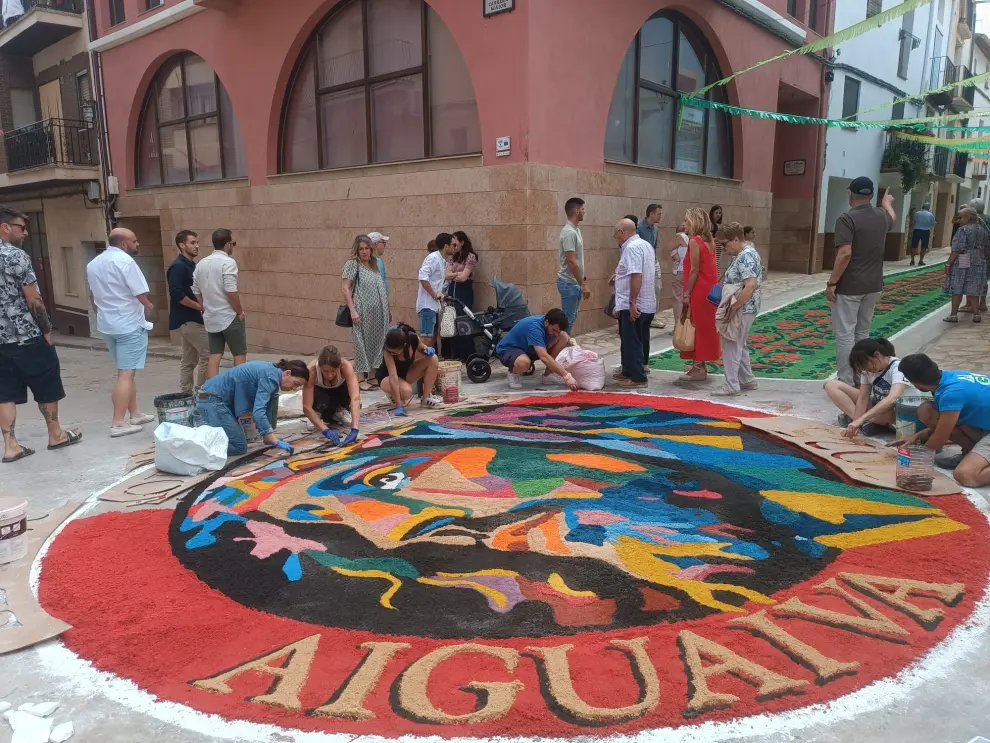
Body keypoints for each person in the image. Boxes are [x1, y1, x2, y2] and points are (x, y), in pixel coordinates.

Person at [0, 206, 81, 463]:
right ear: (5, 227)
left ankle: (10, 445)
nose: (25, 233)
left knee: (4, 392)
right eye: (21, 228)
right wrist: (46, 330)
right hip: (26, 336)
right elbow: (33, 298)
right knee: (46, 382)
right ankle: (55, 434)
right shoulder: (16, 256)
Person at [86, 227, 156, 437]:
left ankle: (135, 413)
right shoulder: (126, 262)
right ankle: (118, 422)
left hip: (107, 324)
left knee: (125, 370)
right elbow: (139, 292)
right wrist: (150, 307)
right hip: (128, 323)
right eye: (134, 241)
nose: (137, 244)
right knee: (126, 374)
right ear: (124, 244)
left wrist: (101, 312)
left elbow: (93, 295)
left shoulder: (93, 263)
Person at [826, 177, 896, 385]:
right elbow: (892, 218)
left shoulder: (847, 219)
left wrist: (832, 283)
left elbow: (845, 253)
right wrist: (887, 203)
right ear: (871, 195)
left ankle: (846, 379)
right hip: (873, 284)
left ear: (851, 195)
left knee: (845, 334)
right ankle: (862, 377)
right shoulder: (881, 216)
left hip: (850, 285)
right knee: (862, 332)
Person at [893, 354, 990, 487]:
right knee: (927, 410)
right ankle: (971, 454)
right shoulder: (950, 378)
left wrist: (918, 460)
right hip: (985, 425)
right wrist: (917, 436)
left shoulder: (951, 393)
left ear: (915, 382)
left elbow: (941, 436)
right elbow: (946, 424)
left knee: (965, 474)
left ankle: (975, 461)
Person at [196, 359, 308, 457]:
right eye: (295, 384)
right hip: (211, 399)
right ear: (287, 373)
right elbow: (258, 412)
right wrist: (273, 439)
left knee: (236, 439)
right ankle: (196, 445)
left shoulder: (272, 373)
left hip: (214, 398)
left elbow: (267, 408)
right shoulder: (270, 377)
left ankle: (204, 429)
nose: (294, 388)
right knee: (239, 446)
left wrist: (268, 435)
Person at [712, 222, 762, 397]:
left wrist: (734, 307)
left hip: (743, 307)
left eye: (724, 244)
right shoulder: (744, 253)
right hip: (745, 306)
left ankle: (731, 385)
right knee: (740, 342)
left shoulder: (745, 255)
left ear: (735, 239)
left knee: (732, 343)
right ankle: (747, 379)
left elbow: (751, 285)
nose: (724, 249)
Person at [824, 337, 908, 437]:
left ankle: (872, 422)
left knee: (887, 409)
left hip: (896, 412)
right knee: (831, 385)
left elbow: (893, 398)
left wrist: (861, 419)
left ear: (877, 354)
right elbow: (863, 398)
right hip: (877, 404)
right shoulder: (867, 370)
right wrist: (855, 423)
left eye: (865, 364)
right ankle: (865, 423)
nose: (865, 369)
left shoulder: (898, 367)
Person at [192, 228, 245, 380]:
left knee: (214, 355)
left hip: (211, 316)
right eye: (233, 243)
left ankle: (212, 389)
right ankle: (239, 387)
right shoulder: (228, 262)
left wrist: (204, 306)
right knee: (239, 354)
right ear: (228, 244)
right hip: (229, 315)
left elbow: (195, 289)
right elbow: (231, 291)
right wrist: (239, 311)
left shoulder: (201, 263)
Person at [611, 218, 656, 388]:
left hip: (635, 304)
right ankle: (629, 370)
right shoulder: (645, 245)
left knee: (632, 341)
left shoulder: (631, 247)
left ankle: (638, 377)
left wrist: (633, 302)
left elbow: (637, 275)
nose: (616, 239)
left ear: (622, 232)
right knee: (634, 338)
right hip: (646, 302)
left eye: (615, 235)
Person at [678, 207, 720, 383]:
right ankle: (700, 365)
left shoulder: (695, 241)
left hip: (699, 290)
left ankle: (698, 367)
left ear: (694, 222)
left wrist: (687, 293)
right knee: (704, 327)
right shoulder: (710, 240)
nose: (684, 224)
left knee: (696, 327)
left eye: (687, 221)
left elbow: (694, 269)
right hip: (711, 289)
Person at [341, 234, 389, 391]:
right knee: (361, 342)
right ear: (357, 250)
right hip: (362, 311)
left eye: (367, 248)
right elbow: (345, 288)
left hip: (379, 312)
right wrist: (353, 310)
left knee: (378, 341)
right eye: (361, 249)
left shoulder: (375, 263)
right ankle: (360, 378)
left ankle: (373, 375)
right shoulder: (353, 264)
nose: (364, 251)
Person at [496, 309, 578, 391]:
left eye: (558, 331)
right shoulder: (534, 328)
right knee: (524, 363)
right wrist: (566, 375)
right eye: (554, 330)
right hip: (509, 349)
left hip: (529, 349)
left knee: (563, 336)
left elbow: (560, 335)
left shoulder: (549, 323)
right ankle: (513, 372)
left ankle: (548, 375)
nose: (556, 334)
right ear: (546, 322)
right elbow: (543, 357)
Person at [167, 230, 208, 393]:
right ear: (182, 245)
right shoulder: (178, 266)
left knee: (189, 359)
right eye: (192, 243)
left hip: (193, 319)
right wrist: (200, 306)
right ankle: (201, 392)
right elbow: (176, 294)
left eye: (197, 242)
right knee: (209, 354)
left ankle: (185, 394)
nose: (196, 246)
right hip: (188, 319)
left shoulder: (191, 265)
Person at [376, 324, 444, 413]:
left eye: (394, 352)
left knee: (433, 358)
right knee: (407, 392)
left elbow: (422, 347)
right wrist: (399, 405)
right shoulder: (387, 351)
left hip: (405, 373)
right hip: (387, 378)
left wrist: (427, 350)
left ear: (404, 345)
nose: (392, 354)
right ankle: (393, 394)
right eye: (391, 352)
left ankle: (426, 398)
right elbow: (393, 377)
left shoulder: (413, 339)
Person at [302, 345, 360, 446]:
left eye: (333, 371)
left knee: (351, 389)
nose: (329, 375)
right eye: (325, 371)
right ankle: (317, 414)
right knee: (322, 413)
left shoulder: (345, 366)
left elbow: (355, 398)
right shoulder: (312, 370)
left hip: (339, 394)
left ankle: (340, 410)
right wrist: (325, 430)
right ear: (320, 366)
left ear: (339, 366)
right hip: (321, 397)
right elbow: (306, 406)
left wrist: (355, 429)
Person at [943, 206, 988, 324]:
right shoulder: (983, 230)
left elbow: (958, 249)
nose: (959, 220)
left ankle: (953, 315)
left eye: (961, 217)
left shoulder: (963, 230)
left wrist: (948, 263)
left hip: (964, 258)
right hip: (979, 259)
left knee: (958, 286)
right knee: (973, 287)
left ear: (967, 217)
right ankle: (976, 314)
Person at [557, 197, 590, 333]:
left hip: (574, 282)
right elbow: (571, 261)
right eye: (582, 209)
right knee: (567, 321)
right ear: (576, 211)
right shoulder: (569, 232)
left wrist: (581, 279)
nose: (584, 212)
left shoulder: (576, 230)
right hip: (568, 283)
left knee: (571, 318)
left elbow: (577, 260)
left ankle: (565, 343)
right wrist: (583, 284)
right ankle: (561, 345)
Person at [417, 232, 454, 348]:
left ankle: (428, 360)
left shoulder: (442, 260)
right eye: (453, 245)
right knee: (426, 340)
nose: (455, 247)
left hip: (434, 306)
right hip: (427, 306)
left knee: (432, 339)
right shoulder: (433, 258)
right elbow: (423, 278)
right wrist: (434, 294)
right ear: (446, 246)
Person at [637, 204, 666, 330]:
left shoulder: (656, 229)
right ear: (651, 214)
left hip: (654, 262)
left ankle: (653, 315)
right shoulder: (639, 228)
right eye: (658, 213)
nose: (660, 216)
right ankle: (643, 314)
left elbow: (654, 246)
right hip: (643, 263)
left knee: (657, 288)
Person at [966, 198, 990, 313]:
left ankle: (969, 304)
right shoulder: (988, 219)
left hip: (973, 252)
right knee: (983, 278)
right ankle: (982, 303)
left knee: (969, 277)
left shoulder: (972, 220)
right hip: (987, 253)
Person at [446, 231, 478, 309]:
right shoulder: (453, 256)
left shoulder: (470, 257)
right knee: (451, 313)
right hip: (452, 289)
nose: (453, 244)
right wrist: (458, 273)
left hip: (464, 290)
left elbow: (463, 278)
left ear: (462, 242)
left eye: (455, 241)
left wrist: (452, 275)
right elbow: (446, 275)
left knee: (462, 313)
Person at [668, 220, 689, 321]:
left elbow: (669, 246)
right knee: (686, 297)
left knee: (677, 298)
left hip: (680, 270)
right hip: (688, 270)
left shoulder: (680, 237)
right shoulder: (691, 239)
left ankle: (678, 323)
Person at [909, 202, 936, 266]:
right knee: (924, 246)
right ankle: (921, 260)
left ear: (922, 207)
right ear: (928, 208)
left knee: (914, 245)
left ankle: (912, 260)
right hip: (925, 231)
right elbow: (933, 224)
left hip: (917, 230)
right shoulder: (930, 215)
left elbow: (914, 221)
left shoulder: (917, 213)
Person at [368, 231, 390, 305]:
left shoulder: (367, 261)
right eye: (383, 242)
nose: (385, 245)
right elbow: (380, 286)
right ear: (375, 244)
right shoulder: (377, 262)